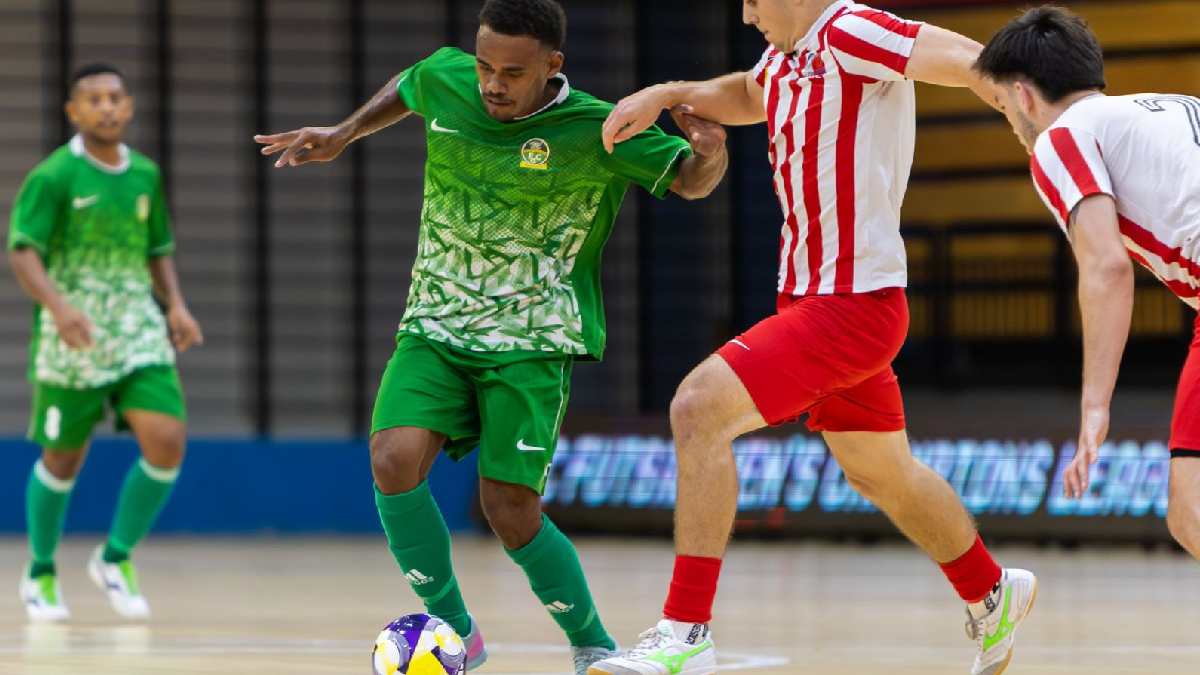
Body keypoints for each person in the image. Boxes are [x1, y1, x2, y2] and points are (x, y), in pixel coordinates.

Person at [254, 1, 727, 672]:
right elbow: (413, 83)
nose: (492, 84)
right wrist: (345, 132)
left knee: (509, 509)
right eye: (484, 66)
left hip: (531, 342)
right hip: (436, 325)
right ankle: (454, 631)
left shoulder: (600, 126)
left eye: (512, 72)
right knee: (392, 459)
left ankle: (591, 642)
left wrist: (710, 153)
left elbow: (689, 180)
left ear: (551, 66)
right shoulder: (450, 78)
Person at [588, 2, 1037, 675]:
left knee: (697, 407)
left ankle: (685, 633)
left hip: (850, 305)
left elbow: (963, 59)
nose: (745, 12)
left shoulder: (849, 30)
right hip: (819, 301)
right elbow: (746, 91)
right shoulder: (789, 57)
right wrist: (670, 94)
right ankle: (991, 591)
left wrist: (1029, 116)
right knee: (881, 471)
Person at [975, 6, 1200, 559]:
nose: (1011, 122)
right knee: (1189, 500)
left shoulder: (1060, 139)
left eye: (1003, 105)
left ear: (1023, 97)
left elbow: (1106, 267)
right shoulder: (1173, 107)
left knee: (1193, 508)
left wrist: (1095, 405)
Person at [8, 63, 203, 623]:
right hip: (73, 335)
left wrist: (176, 305)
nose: (107, 107)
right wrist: (59, 308)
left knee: (166, 439)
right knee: (63, 459)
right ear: (73, 111)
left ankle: (115, 558)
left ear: (130, 105)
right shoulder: (54, 176)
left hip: (137, 330)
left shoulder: (144, 173)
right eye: (93, 100)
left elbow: (157, 247)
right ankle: (40, 571)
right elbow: (23, 251)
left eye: (115, 97)